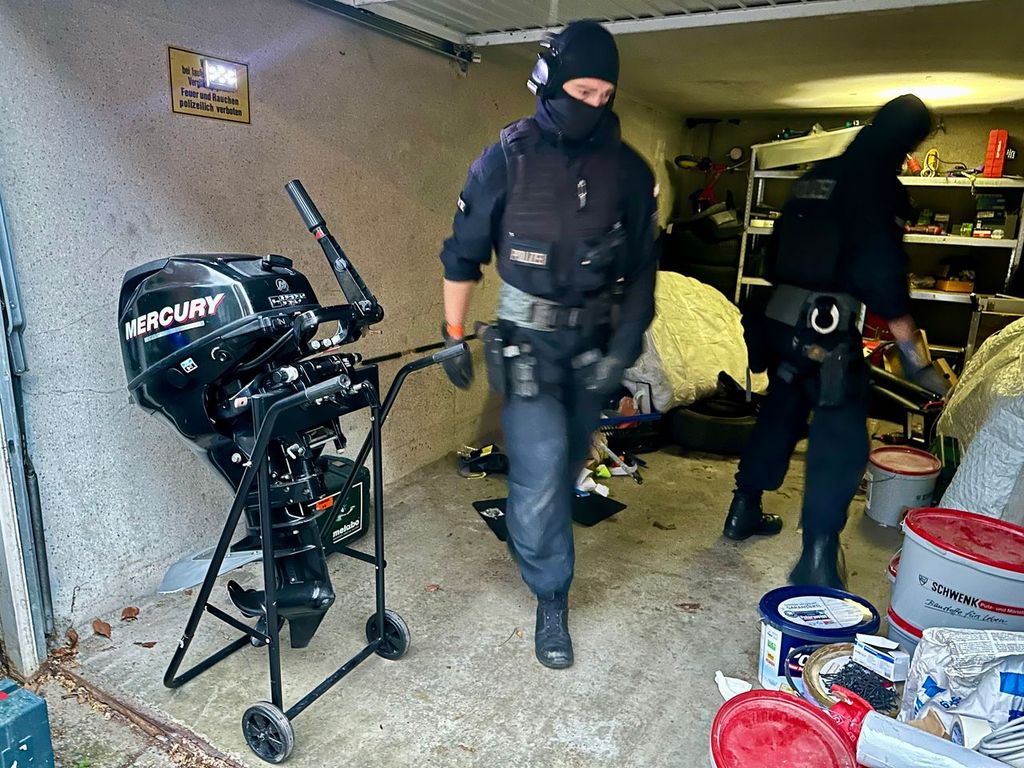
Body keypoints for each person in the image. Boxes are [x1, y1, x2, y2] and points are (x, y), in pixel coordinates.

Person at [437, 20, 658, 669]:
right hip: (527, 342)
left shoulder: (628, 170)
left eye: (604, 95)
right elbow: (463, 255)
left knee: (564, 473)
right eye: (581, 90)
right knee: (538, 470)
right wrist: (453, 336)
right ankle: (551, 596)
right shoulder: (507, 157)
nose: (592, 105)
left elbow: (644, 268)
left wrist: (625, 345)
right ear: (551, 82)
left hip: (593, 345)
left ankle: (538, 539)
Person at [722, 94, 935, 589]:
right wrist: (913, 355)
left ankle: (742, 509)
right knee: (840, 434)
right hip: (828, 327)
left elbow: (775, 251)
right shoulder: (880, 184)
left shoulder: (816, 175)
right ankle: (817, 554)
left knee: (782, 409)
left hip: (780, 318)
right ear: (909, 141)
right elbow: (881, 271)